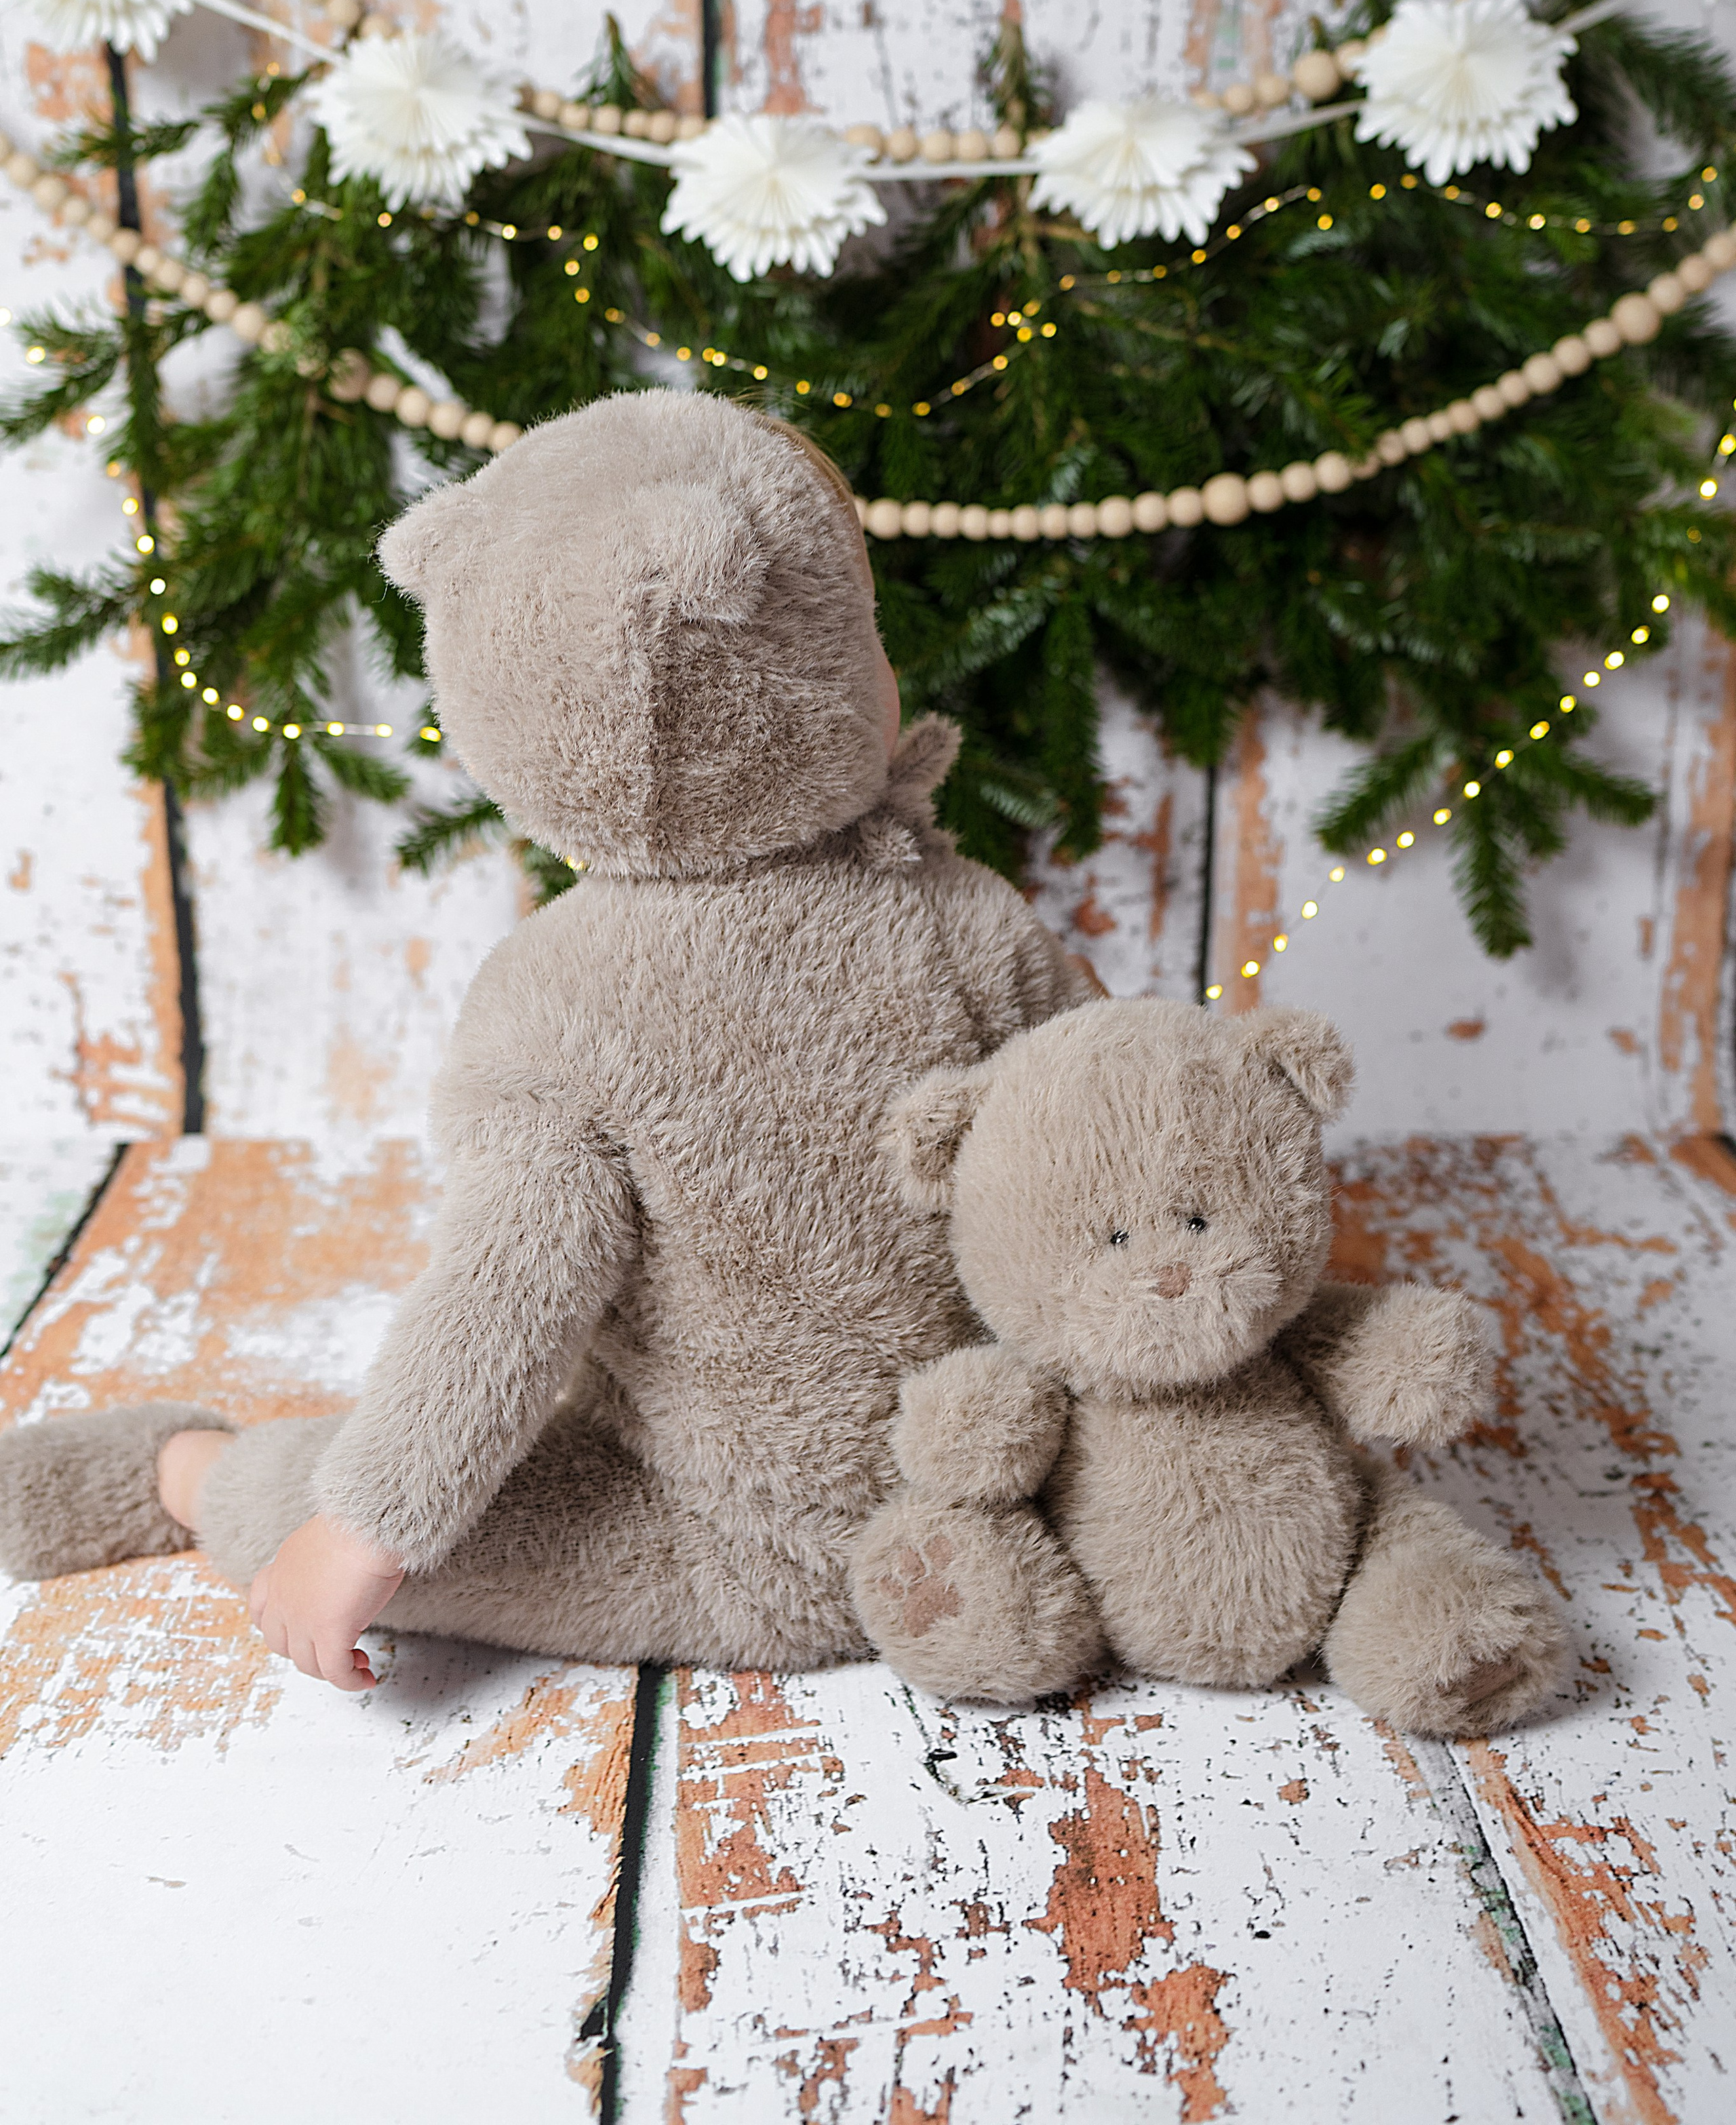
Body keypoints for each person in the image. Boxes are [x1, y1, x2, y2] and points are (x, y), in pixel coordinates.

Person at [1, 390, 1099, 1690]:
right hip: (1008, 1471)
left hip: (754, 1547)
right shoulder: (969, 915)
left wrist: (360, 1531)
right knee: (415, 1484)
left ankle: (196, 1477)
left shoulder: (553, 992)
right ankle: (187, 1472)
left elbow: (507, 1291)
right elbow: (1114, 1134)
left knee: (344, 1510)